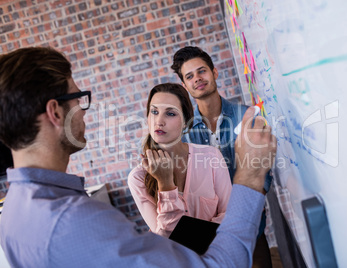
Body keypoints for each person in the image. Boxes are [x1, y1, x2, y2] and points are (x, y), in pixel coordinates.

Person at [0, 47, 276, 267]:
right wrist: (250, 175)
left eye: (170, 113)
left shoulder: (12, 214)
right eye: (78, 98)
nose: (83, 111)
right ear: (56, 112)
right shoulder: (78, 221)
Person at [171, 46, 274, 267]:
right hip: (207, 235)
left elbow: (264, 168)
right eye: (190, 76)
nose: (197, 79)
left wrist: (249, 204)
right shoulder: (184, 134)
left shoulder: (245, 115)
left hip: (250, 224)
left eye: (202, 71)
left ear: (214, 72)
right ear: (184, 85)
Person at [128, 83, 232, 237]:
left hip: (220, 255)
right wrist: (165, 185)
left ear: (186, 121)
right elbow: (167, 238)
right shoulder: (138, 178)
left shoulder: (211, 157)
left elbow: (230, 216)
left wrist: (189, 237)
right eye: (154, 112)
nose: (159, 121)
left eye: (170, 113)